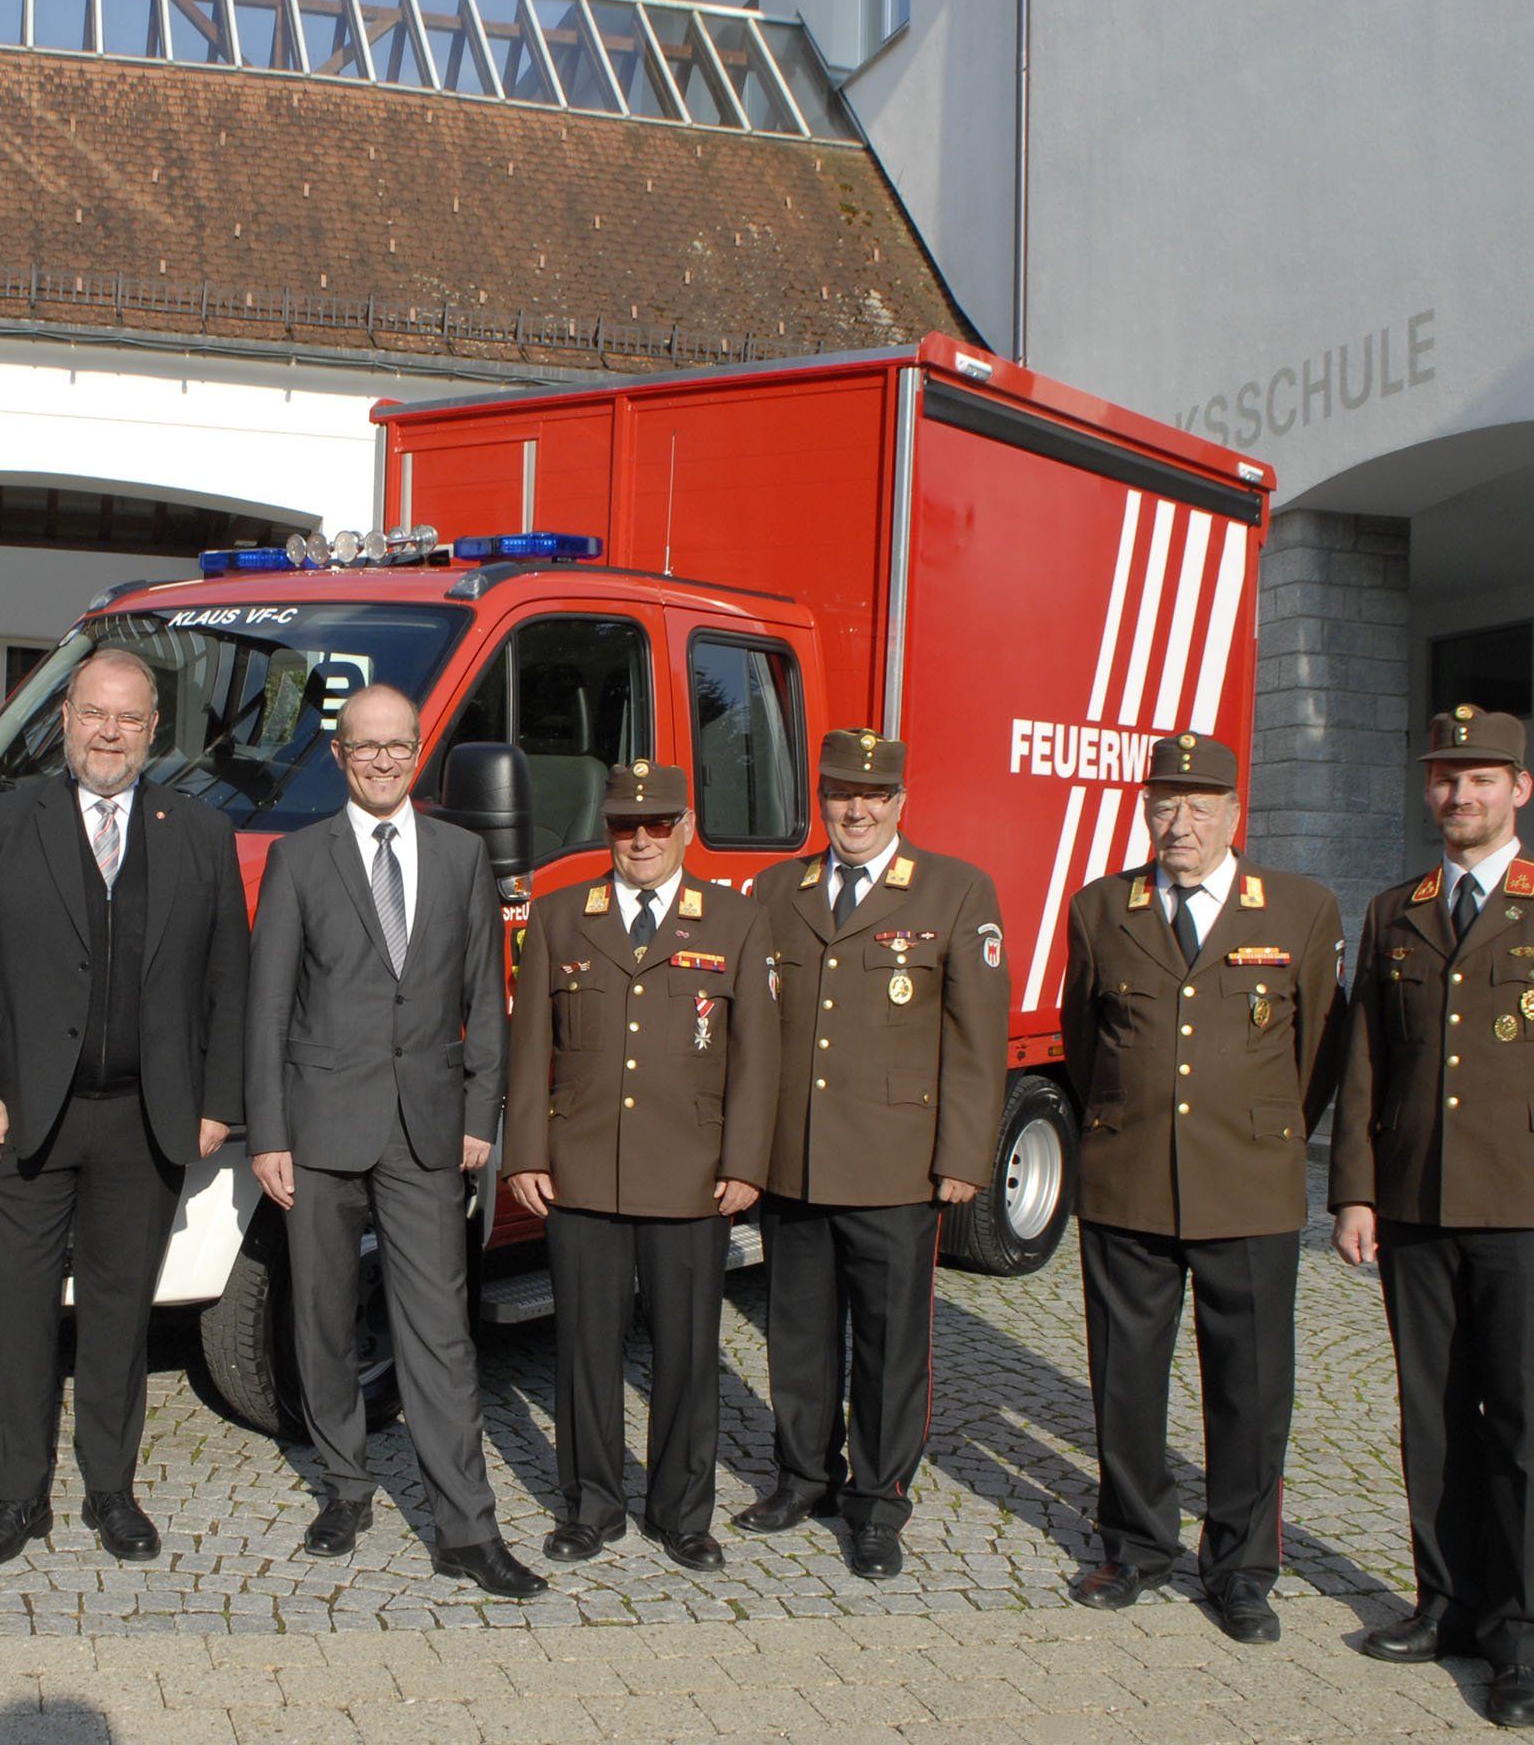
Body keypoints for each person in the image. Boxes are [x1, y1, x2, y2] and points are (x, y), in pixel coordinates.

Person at [1331, 706, 1534, 1730]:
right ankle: (1448, 1603)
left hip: (1530, 1212)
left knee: (1525, 1427)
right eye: (1444, 777)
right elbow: (1367, 1059)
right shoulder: (1397, 909)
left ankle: (1527, 1637)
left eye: (1480, 779)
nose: (1459, 794)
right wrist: (1355, 1188)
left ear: (1521, 788)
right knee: (1432, 1419)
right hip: (1417, 1206)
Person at [0, 648, 249, 1570]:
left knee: (119, 1316)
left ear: (154, 731)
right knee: (14, 1314)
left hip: (144, 1120)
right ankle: (15, 1497)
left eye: (130, 719)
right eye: (95, 715)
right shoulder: (3, 822)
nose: (110, 734)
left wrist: (219, 1101)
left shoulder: (199, 832)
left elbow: (230, 978)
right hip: (20, 1117)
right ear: (64, 719)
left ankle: (111, 1490)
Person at [243, 683, 544, 1598]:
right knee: (324, 1318)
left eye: (397, 746)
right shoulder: (299, 858)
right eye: (365, 746)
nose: (382, 761)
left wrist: (479, 1116)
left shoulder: (461, 855)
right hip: (320, 1128)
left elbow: (485, 995)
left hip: (426, 1129)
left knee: (440, 1332)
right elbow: (268, 1005)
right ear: (340, 755)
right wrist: (269, 1132)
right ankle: (344, 1487)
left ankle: (467, 1529)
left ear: (419, 753)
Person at [1058, 732, 1345, 1643]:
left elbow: (1319, 1053)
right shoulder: (1103, 908)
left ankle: (1242, 1569)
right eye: (1163, 806)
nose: (1178, 824)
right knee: (1126, 1381)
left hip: (1248, 1187)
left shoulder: (1300, 909)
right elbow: (1084, 1043)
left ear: (1233, 815)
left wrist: (1259, 1131)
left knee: (1250, 1392)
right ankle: (1136, 1545)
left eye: (1197, 807)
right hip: (1130, 1183)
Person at [739, 729, 1007, 1579]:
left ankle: (879, 1500)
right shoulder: (777, 890)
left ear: (900, 803)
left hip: (896, 1164)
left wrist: (962, 1156)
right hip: (795, 1159)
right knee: (798, 1334)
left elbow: (976, 1040)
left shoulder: (954, 890)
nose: (856, 811)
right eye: (841, 794)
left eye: (874, 796)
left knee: (891, 1346)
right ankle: (803, 1476)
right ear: (821, 799)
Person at [503, 760, 776, 1573]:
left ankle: (682, 1513)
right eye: (627, 825)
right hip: (582, 1169)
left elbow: (757, 1057)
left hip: (691, 1173)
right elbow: (529, 1047)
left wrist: (745, 1162)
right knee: (585, 1351)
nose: (643, 840)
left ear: (685, 828)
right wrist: (525, 1151)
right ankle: (590, 1506)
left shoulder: (734, 920)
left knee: (687, 1354)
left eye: (659, 824)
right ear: (609, 831)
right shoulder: (559, 917)